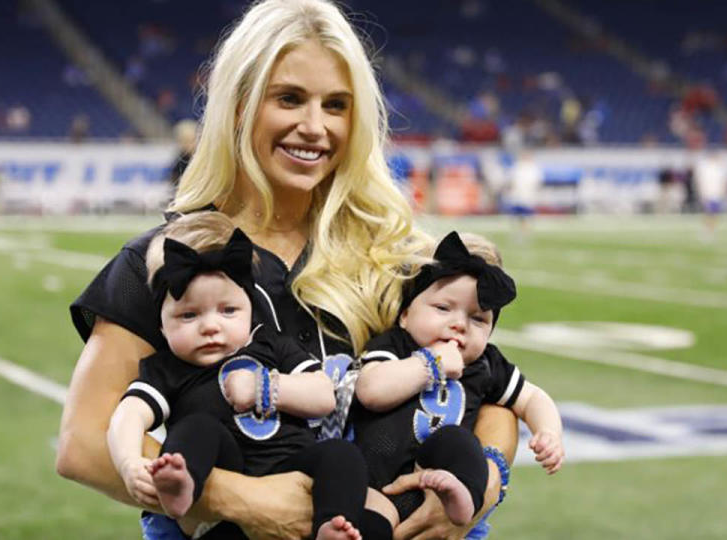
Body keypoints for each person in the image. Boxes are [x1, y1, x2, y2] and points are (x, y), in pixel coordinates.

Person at [57, 1, 519, 538]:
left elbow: (493, 393)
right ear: (239, 105)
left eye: (337, 105)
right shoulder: (166, 260)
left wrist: (486, 481)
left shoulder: (400, 255)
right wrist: (242, 499)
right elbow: (84, 443)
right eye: (289, 99)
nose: (314, 127)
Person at [107, 211, 390, 539]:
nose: (211, 326)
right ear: (161, 325)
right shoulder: (167, 369)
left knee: (342, 454)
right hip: (225, 487)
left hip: (293, 468)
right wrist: (129, 463)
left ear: (249, 309)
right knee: (197, 428)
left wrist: (264, 388)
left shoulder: (270, 345)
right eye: (188, 315)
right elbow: (127, 415)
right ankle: (182, 485)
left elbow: (324, 396)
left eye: (228, 311)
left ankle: (333, 524)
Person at [353, 231, 565, 531]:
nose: (459, 324)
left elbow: (532, 398)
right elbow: (370, 391)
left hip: (442, 490)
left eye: (478, 319)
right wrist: (431, 363)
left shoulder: (485, 364)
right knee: (369, 525)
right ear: (404, 314)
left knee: (460, 442)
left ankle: (463, 496)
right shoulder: (396, 346)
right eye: (443, 308)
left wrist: (549, 433)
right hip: (377, 489)